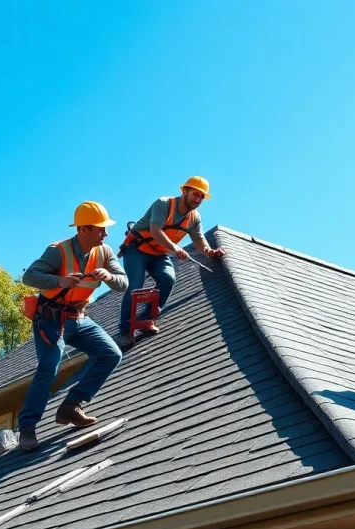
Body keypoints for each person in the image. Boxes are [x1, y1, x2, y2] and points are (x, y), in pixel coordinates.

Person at [18, 201, 127, 452]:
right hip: (51, 317)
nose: (106, 233)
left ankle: (71, 406)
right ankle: (27, 429)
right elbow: (29, 276)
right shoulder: (58, 251)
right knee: (49, 366)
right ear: (84, 230)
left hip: (78, 317)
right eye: (101, 229)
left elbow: (123, 282)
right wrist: (60, 280)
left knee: (111, 354)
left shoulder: (105, 252)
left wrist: (109, 277)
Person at [117, 176, 226, 346]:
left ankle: (146, 319)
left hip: (159, 253)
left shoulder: (194, 217)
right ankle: (125, 330)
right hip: (137, 249)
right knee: (135, 285)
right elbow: (155, 231)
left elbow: (198, 239)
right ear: (185, 191)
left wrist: (210, 252)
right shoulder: (164, 204)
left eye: (201, 197)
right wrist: (175, 249)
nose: (197, 199)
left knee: (168, 278)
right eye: (195, 194)